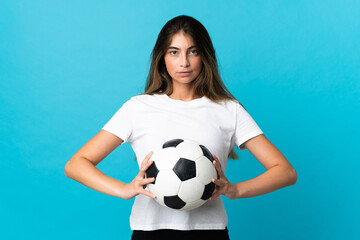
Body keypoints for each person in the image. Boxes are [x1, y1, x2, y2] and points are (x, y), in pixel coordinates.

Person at [64, 15, 297, 240]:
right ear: (162, 58)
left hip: (210, 231)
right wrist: (125, 190)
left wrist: (234, 190)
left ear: (205, 56)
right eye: (174, 52)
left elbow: (285, 172)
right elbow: (76, 164)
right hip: (150, 232)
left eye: (192, 51)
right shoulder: (138, 107)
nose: (184, 62)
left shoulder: (228, 109)